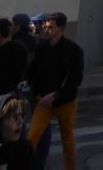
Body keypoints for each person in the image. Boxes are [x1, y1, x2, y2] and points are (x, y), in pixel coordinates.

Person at [25, 13, 83, 170]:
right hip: (43, 100)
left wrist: (57, 94)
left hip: (65, 102)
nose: (46, 29)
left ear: (61, 29)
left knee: (67, 139)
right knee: (32, 137)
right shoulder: (42, 47)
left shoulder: (73, 50)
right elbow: (33, 69)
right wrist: (27, 83)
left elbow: (75, 79)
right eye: (45, 26)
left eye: (51, 27)